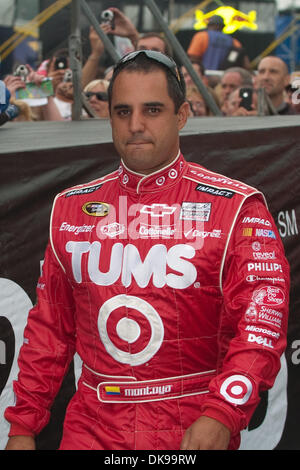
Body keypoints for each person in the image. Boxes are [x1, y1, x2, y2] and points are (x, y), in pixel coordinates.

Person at [5, 50, 290, 451]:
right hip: (91, 428)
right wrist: (22, 426)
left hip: (191, 426)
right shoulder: (71, 207)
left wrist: (222, 411)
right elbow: (50, 330)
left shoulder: (237, 207)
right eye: (123, 112)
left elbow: (262, 323)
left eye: (152, 110)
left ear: (182, 115)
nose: (135, 125)